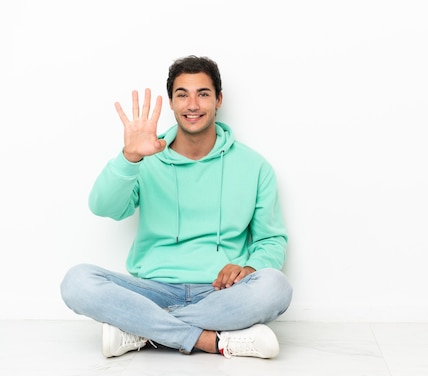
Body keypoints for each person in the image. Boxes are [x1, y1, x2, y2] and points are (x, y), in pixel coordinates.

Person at [60, 55, 293, 359]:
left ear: (218, 100)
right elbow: (104, 207)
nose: (192, 105)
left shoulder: (255, 167)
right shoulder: (146, 157)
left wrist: (248, 269)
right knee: (77, 281)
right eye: (182, 95)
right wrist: (129, 157)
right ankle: (212, 340)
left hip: (220, 293)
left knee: (276, 287)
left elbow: (270, 240)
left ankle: (140, 330)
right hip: (150, 291)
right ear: (171, 102)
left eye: (203, 94)